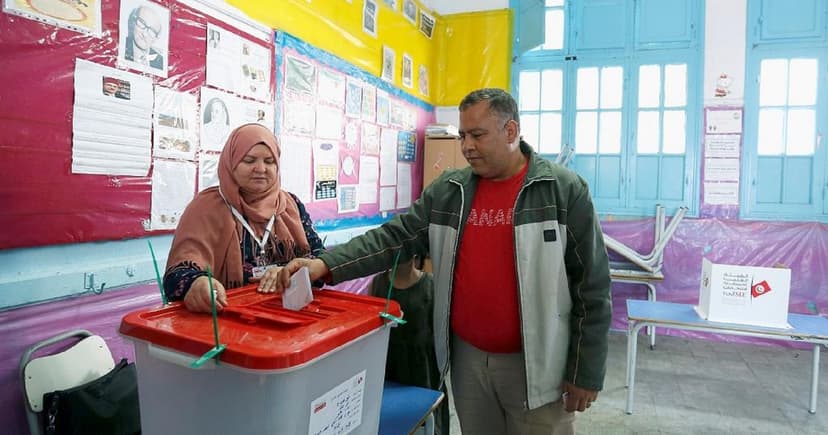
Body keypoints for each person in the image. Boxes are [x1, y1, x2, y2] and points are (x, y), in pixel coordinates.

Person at [274, 88, 612, 434]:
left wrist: (585, 371)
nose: (467, 146)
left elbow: (592, 286)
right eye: (463, 135)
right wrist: (325, 265)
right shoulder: (450, 191)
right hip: (468, 362)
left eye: (477, 135)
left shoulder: (562, 190)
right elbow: (394, 237)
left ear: (511, 131)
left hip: (538, 365)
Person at [163, 123, 324, 313]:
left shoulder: (291, 205)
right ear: (231, 163)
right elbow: (178, 274)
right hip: (228, 319)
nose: (261, 169)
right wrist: (196, 283)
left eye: (269, 161)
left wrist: (291, 271)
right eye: (249, 160)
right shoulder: (206, 208)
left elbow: (321, 259)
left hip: (292, 315)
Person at [369, 255, 449, 435]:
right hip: (388, 374)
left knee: (428, 423)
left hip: (423, 374)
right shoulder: (377, 284)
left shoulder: (431, 286)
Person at [124, 5, 164, 70]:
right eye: (142, 23)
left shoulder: (160, 62)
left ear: (156, 38)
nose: (144, 34)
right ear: (133, 22)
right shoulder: (120, 47)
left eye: (152, 31)